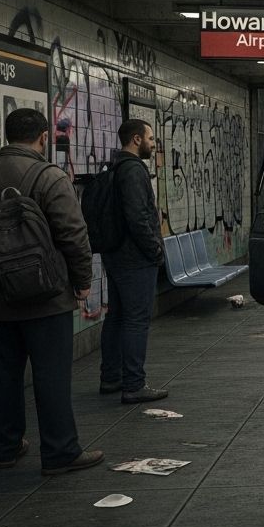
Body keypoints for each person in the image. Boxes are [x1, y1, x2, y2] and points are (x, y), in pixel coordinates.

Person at [0, 108, 103, 475]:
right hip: (47, 298)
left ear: (8, 136)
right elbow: (73, 234)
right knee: (51, 375)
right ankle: (60, 451)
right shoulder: (49, 177)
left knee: (3, 375)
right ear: (42, 137)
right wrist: (82, 280)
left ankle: (3, 448)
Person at [98, 119, 169, 403]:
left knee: (115, 316)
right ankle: (134, 384)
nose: (154, 144)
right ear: (137, 140)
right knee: (136, 321)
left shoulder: (115, 168)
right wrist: (155, 250)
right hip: (134, 258)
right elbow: (138, 217)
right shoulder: (133, 171)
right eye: (151, 138)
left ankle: (111, 377)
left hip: (115, 255)